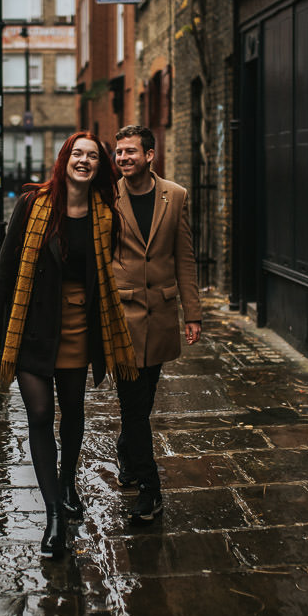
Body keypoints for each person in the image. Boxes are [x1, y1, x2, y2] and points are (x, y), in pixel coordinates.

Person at [0, 132, 138, 558]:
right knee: (40, 413)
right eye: (77, 154)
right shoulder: (33, 203)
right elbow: (7, 264)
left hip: (78, 327)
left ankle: (68, 481)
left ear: (100, 167)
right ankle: (52, 517)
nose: (83, 161)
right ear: (64, 158)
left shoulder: (106, 212)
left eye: (92, 157)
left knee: (73, 411)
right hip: (31, 324)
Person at [112, 124, 202, 525]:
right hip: (122, 315)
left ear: (150, 155)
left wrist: (193, 312)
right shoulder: (107, 196)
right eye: (119, 153)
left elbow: (184, 256)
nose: (123, 158)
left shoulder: (176, 195)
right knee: (133, 404)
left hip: (163, 315)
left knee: (144, 399)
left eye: (131, 151)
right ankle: (150, 490)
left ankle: (127, 450)